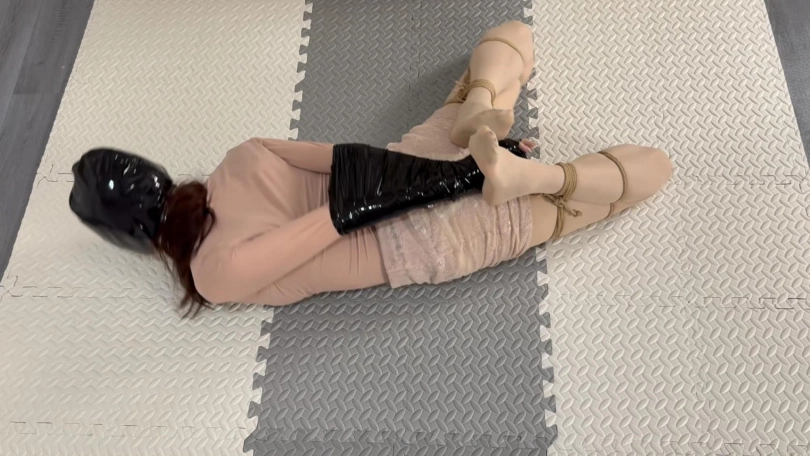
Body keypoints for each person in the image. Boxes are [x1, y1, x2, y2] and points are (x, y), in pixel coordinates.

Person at [69, 21, 672, 315]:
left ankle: (544, 180)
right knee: (513, 36)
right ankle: (484, 99)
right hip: (406, 163)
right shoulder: (242, 154)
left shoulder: (213, 273)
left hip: (431, 235)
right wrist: (453, 163)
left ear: (134, 239)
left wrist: (464, 180)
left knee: (647, 173)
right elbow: (349, 162)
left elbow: (340, 219)